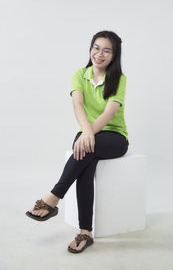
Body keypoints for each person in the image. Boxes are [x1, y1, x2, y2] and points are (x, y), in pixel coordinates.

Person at [25, 30, 129, 253]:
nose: (99, 54)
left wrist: (89, 134)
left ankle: (53, 197)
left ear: (114, 55)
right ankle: (85, 233)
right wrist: (87, 133)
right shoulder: (79, 74)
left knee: (85, 149)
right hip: (87, 132)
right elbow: (78, 106)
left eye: (106, 50)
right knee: (86, 160)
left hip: (114, 137)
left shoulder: (119, 79)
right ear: (90, 49)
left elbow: (110, 113)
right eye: (96, 47)